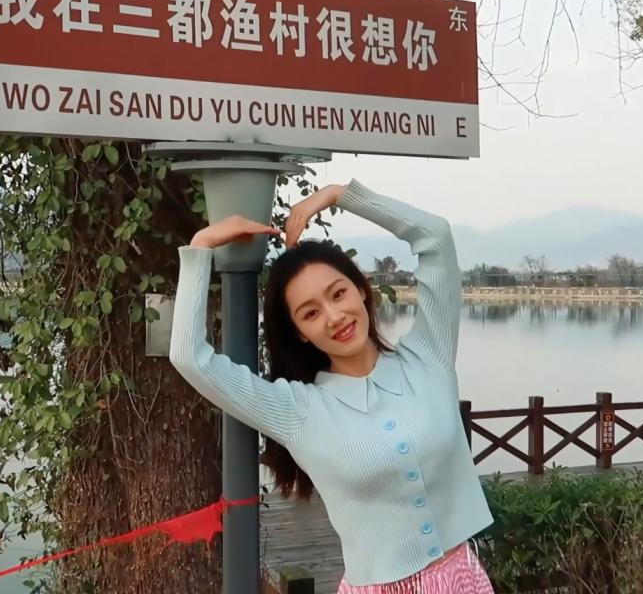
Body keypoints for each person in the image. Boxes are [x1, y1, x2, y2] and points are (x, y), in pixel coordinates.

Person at [169, 180, 494, 593]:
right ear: (299, 333)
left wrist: (341, 196)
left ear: (360, 289)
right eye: (310, 313)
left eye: (338, 294)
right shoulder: (298, 410)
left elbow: (435, 237)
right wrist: (200, 248)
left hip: (463, 579)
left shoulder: (429, 358)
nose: (334, 316)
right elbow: (190, 357)